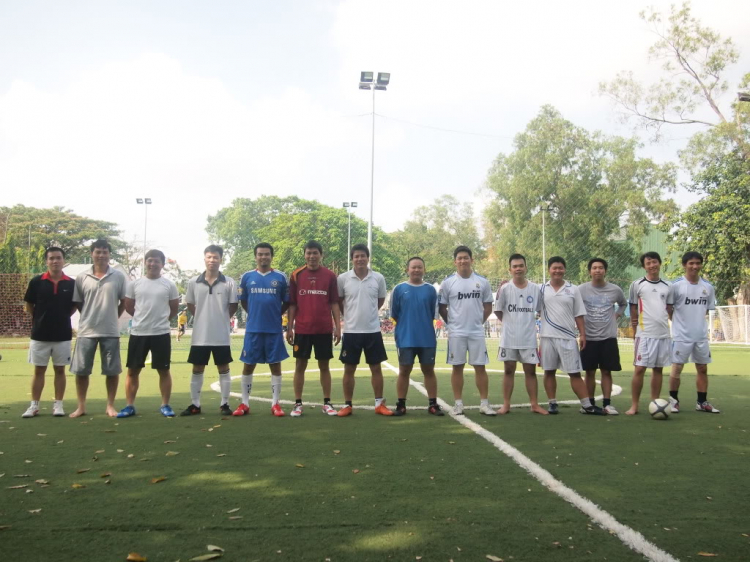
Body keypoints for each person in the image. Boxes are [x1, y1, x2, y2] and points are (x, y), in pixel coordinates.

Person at [69, 239, 129, 418]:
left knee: (112, 371)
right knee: (81, 371)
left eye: (105, 252)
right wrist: (90, 316)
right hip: (86, 331)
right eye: (98, 252)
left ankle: (110, 406)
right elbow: (79, 303)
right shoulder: (81, 277)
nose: (101, 255)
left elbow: (123, 302)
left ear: (109, 255)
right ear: (91, 254)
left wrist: (111, 317)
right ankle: (81, 406)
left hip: (110, 331)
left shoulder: (118, 276)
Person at [117, 249, 179, 418]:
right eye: (149, 260)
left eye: (156, 261)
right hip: (138, 333)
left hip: (161, 333)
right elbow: (130, 306)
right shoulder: (135, 284)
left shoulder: (169, 285)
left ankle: (165, 405)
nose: (152, 264)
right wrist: (142, 319)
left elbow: (174, 308)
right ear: (145, 262)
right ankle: (129, 406)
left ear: (162, 264)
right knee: (132, 371)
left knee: (163, 370)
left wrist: (161, 320)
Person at [540, 256, 605, 415]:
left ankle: (586, 405)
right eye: (554, 268)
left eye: (560, 268)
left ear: (564, 269)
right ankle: (552, 403)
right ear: (549, 270)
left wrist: (582, 334)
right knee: (549, 371)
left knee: (575, 373)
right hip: (547, 337)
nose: (557, 271)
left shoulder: (573, 289)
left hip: (568, 337)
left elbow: (579, 314)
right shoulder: (541, 289)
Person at [181, 245, 238, 416]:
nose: (212, 260)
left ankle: (225, 404)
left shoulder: (229, 282)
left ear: (221, 259)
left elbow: (233, 305)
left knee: (224, 367)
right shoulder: (193, 282)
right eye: (209, 257)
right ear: (204, 258)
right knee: (197, 368)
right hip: (200, 336)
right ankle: (195, 404)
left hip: (220, 335)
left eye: (215, 257)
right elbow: (190, 303)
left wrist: (220, 318)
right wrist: (201, 317)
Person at [233, 243, 289, 417]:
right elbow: (243, 301)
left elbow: (286, 301)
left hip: (274, 329)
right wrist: (256, 314)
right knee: (248, 365)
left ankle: (275, 404)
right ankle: (244, 403)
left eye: (266, 254)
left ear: (271, 256)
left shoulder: (280, 277)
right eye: (260, 254)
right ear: (255, 256)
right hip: (253, 329)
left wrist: (274, 315)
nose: (263, 257)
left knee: (275, 365)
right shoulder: (247, 277)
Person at [286, 241, 341, 417]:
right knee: (300, 365)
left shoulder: (330, 276)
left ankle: (327, 403)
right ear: (304, 255)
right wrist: (289, 328)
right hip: (302, 329)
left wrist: (338, 327)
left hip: (324, 329)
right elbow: (292, 304)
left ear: (321, 255)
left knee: (324, 365)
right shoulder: (296, 275)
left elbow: (334, 303)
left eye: (315, 253)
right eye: (309, 253)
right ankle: (297, 403)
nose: (312, 256)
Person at [336, 244, 392, 416]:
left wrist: (368, 315)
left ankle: (379, 404)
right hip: (351, 332)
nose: (360, 259)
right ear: (352, 259)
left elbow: (380, 300)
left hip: (372, 331)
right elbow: (339, 301)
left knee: (376, 368)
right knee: (349, 369)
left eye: (363, 256)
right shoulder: (343, 278)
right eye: (356, 256)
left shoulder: (378, 278)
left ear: (368, 258)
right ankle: (347, 405)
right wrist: (349, 317)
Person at [438, 245, 495, 416]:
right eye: (460, 258)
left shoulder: (482, 282)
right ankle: (458, 404)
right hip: (457, 333)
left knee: (480, 367)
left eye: (466, 257)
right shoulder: (448, 283)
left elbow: (488, 307)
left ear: (472, 260)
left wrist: (478, 322)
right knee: (457, 367)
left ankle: (484, 404)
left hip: (476, 332)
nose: (463, 260)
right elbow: (442, 308)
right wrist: (452, 324)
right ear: (455, 261)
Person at [21, 247, 76, 418]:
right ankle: (34, 406)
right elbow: (29, 305)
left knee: (60, 370)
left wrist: (62, 317)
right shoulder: (37, 281)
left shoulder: (71, 283)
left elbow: (74, 306)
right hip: (40, 335)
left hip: (62, 335)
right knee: (39, 371)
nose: (55, 261)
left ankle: (58, 405)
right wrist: (39, 319)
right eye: (51, 258)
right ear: (46, 261)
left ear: (63, 260)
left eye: (58, 258)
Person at [493, 254, 547, 415]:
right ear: (510, 269)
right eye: (515, 266)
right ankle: (506, 404)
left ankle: (534, 404)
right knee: (508, 370)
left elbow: (539, 310)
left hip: (528, 338)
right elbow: (498, 311)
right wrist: (511, 324)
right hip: (509, 338)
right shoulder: (505, 289)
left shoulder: (535, 289)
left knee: (530, 372)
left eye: (521, 265)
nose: (518, 268)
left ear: (526, 268)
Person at [390, 256, 444, 416]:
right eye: (413, 267)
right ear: (407, 269)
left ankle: (433, 404)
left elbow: (434, 314)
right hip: (405, 338)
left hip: (426, 338)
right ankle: (401, 405)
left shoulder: (430, 290)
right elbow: (395, 314)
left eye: (419, 267)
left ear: (424, 270)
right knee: (404, 370)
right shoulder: (398, 289)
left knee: (428, 370)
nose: (416, 270)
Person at [668, 251, 720, 413]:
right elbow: (669, 308)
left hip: (700, 336)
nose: (694, 266)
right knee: (677, 368)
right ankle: (674, 401)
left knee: (703, 368)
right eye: (691, 263)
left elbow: (706, 310)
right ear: (684, 265)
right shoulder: (675, 286)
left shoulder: (708, 287)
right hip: (681, 335)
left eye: (697, 263)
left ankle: (702, 402)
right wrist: (678, 324)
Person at [578, 258, 628, 415]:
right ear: (589, 271)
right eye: (594, 268)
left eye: (600, 268)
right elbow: (573, 307)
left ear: (605, 271)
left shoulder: (615, 290)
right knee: (590, 372)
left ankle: (607, 403)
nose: (597, 270)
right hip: (589, 337)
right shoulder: (580, 290)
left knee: (607, 371)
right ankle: (589, 404)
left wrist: (617, 315)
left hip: (608, 337)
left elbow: (623, 303)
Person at [625, 252, 672, 415]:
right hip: (644, 334)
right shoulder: (637, 284)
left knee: (658, 369)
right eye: (648, 263)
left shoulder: (668, 286)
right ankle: (634, 406)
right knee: (639, 369)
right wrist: (634, 328)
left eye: (654, 262)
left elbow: (669, 308)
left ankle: (655, 403)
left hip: (663, 335)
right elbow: (632, 307)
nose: (652, 265)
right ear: (644, 266)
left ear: (660, 263)